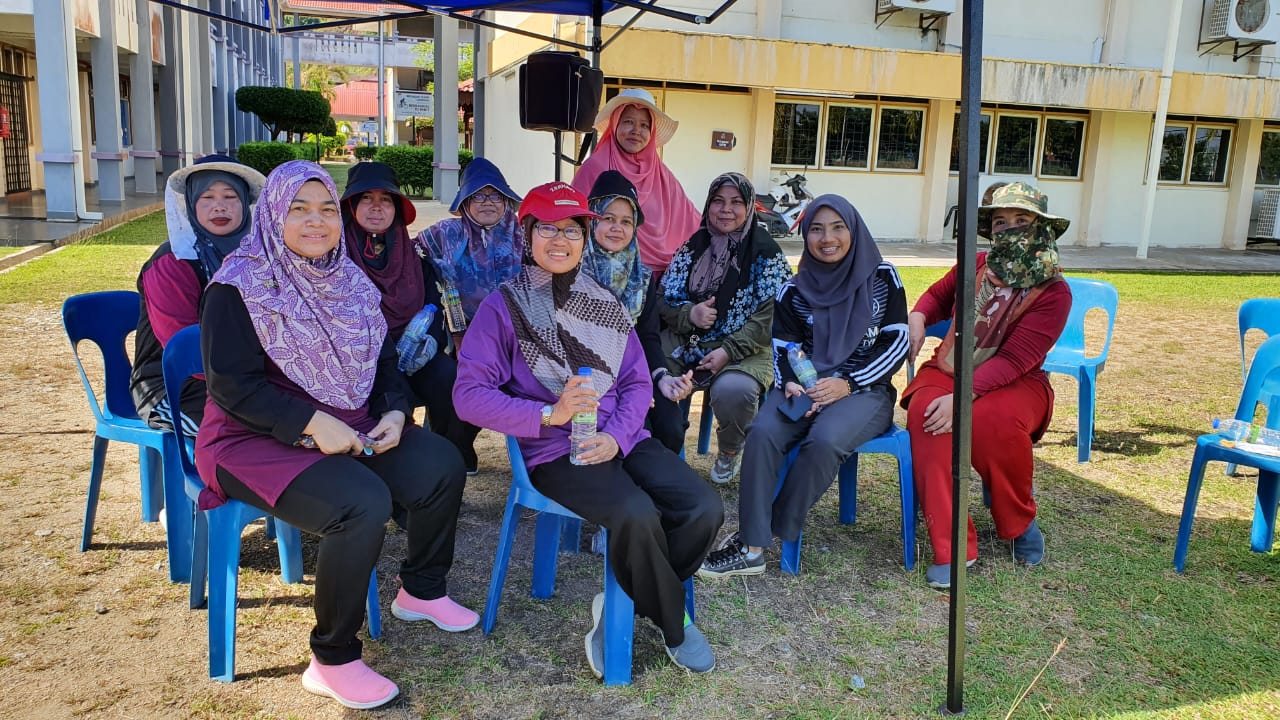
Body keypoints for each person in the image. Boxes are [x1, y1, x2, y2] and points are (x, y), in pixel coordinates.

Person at [195, 161, 477, 710]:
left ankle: (420, 590)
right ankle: (333, 657)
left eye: (326, 209)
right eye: (299, 209)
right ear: (274, 214)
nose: (315, 221)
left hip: (349, 420)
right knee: (360, 502)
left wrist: (396, 412)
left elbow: (384, 363)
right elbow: (233, 387)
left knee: (441, 464)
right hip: (248, 438)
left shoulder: (349, 280)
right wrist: (310, 423)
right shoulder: (237, 286)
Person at [453, 181, 724, 678]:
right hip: (553, 451)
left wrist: (617, 436)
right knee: (636, 513)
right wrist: (547, 415)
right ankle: (673, 624)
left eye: (572, 230)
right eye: (548, 229)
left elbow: (637, 383)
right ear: (528, 234)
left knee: (703, 506)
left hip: (621, 436)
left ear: (585, 237)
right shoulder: (504, 307)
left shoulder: (603, 301)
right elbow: (468, 395)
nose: (560, 241)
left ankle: (623, 604)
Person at [698, 195, 909, 577]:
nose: (827, 238)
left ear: (853, 230)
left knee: (825, 440)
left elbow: (895, 343)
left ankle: (771, 524)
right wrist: (792, 385)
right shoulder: (794, 291)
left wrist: (847, 382)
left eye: (837, 227)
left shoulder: (882, 278)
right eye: (816, 229)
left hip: (864, 390)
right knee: (762, 432)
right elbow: (784, 348)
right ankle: (751, 548)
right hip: (805, 386)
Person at [904, 181, 1071, 590]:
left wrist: (961, 399)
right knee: (930, 418)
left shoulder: (1054, 291)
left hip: (1017, 381)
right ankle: (954, 545)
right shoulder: (974, 264)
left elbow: (1015, 360)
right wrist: (918, 317)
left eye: (1021, 220)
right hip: (948, 369)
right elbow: (936, 297)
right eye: (1000, 221)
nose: (1009, 229)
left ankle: (1017, 521)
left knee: (991, 421)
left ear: (1040, 228)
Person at [341, 161, 478, 474]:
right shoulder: (336, 256)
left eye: (386, 200)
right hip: (360, 359)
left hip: (412, 348)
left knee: (452, 379)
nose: (377, 208)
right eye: (366, 198)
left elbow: (431, 306)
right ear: (350, 205)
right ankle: (388, 471)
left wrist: (427, 343)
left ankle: (448, 458)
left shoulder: (413, 255)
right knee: (388, 391)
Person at [659, 172, 793, 484]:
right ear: (707, 206)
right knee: (654, 373)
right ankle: (665, 447)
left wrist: (727, 350)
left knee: (735, 390)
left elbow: (770, 318)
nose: (725, 210)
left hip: (745, 347)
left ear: (749, 208)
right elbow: (662, 298)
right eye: (718, 201)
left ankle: (730, 450)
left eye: (735, 202)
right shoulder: (693, 248)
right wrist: (689, 314)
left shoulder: (767, 254)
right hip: (688, 339)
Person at [130, 154, 264, 435]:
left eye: (230, 197)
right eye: (207, 198)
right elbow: (185, 350)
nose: (219, 207)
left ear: (245, 204)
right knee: (259, 430)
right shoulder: (172, 264)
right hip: (175, 387)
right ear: (191, 204)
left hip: (248, 379)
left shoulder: (256, 258)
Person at [581, 170, 692, 453]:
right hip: (585, 376)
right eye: (608, 219)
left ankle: (654, 487)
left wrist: (660, 377)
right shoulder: (572, 272)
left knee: (669, 423)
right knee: (639, 426)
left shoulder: (640, 279)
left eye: (626, 221)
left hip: (634, 371)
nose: (617, 228)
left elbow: (648, 337)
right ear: (591, 219)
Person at [572, 88, 702, 273]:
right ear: (615, 124)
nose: (636, 131)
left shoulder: (663, 176)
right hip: (603, 277)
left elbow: (694, 222)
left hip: (660, 283)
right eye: (628, 122)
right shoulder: (595, 168)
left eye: (644, 125)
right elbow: (574, 221)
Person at [417, 157, 524, 333]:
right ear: (465, 202)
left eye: (496, 195)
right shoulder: (446, 232)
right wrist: (431, 264)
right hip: (465, 330)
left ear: (506, 201)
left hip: (520, 330)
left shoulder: (523, 234)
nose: (488, 202)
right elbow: (409, 251)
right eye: (478, 195)